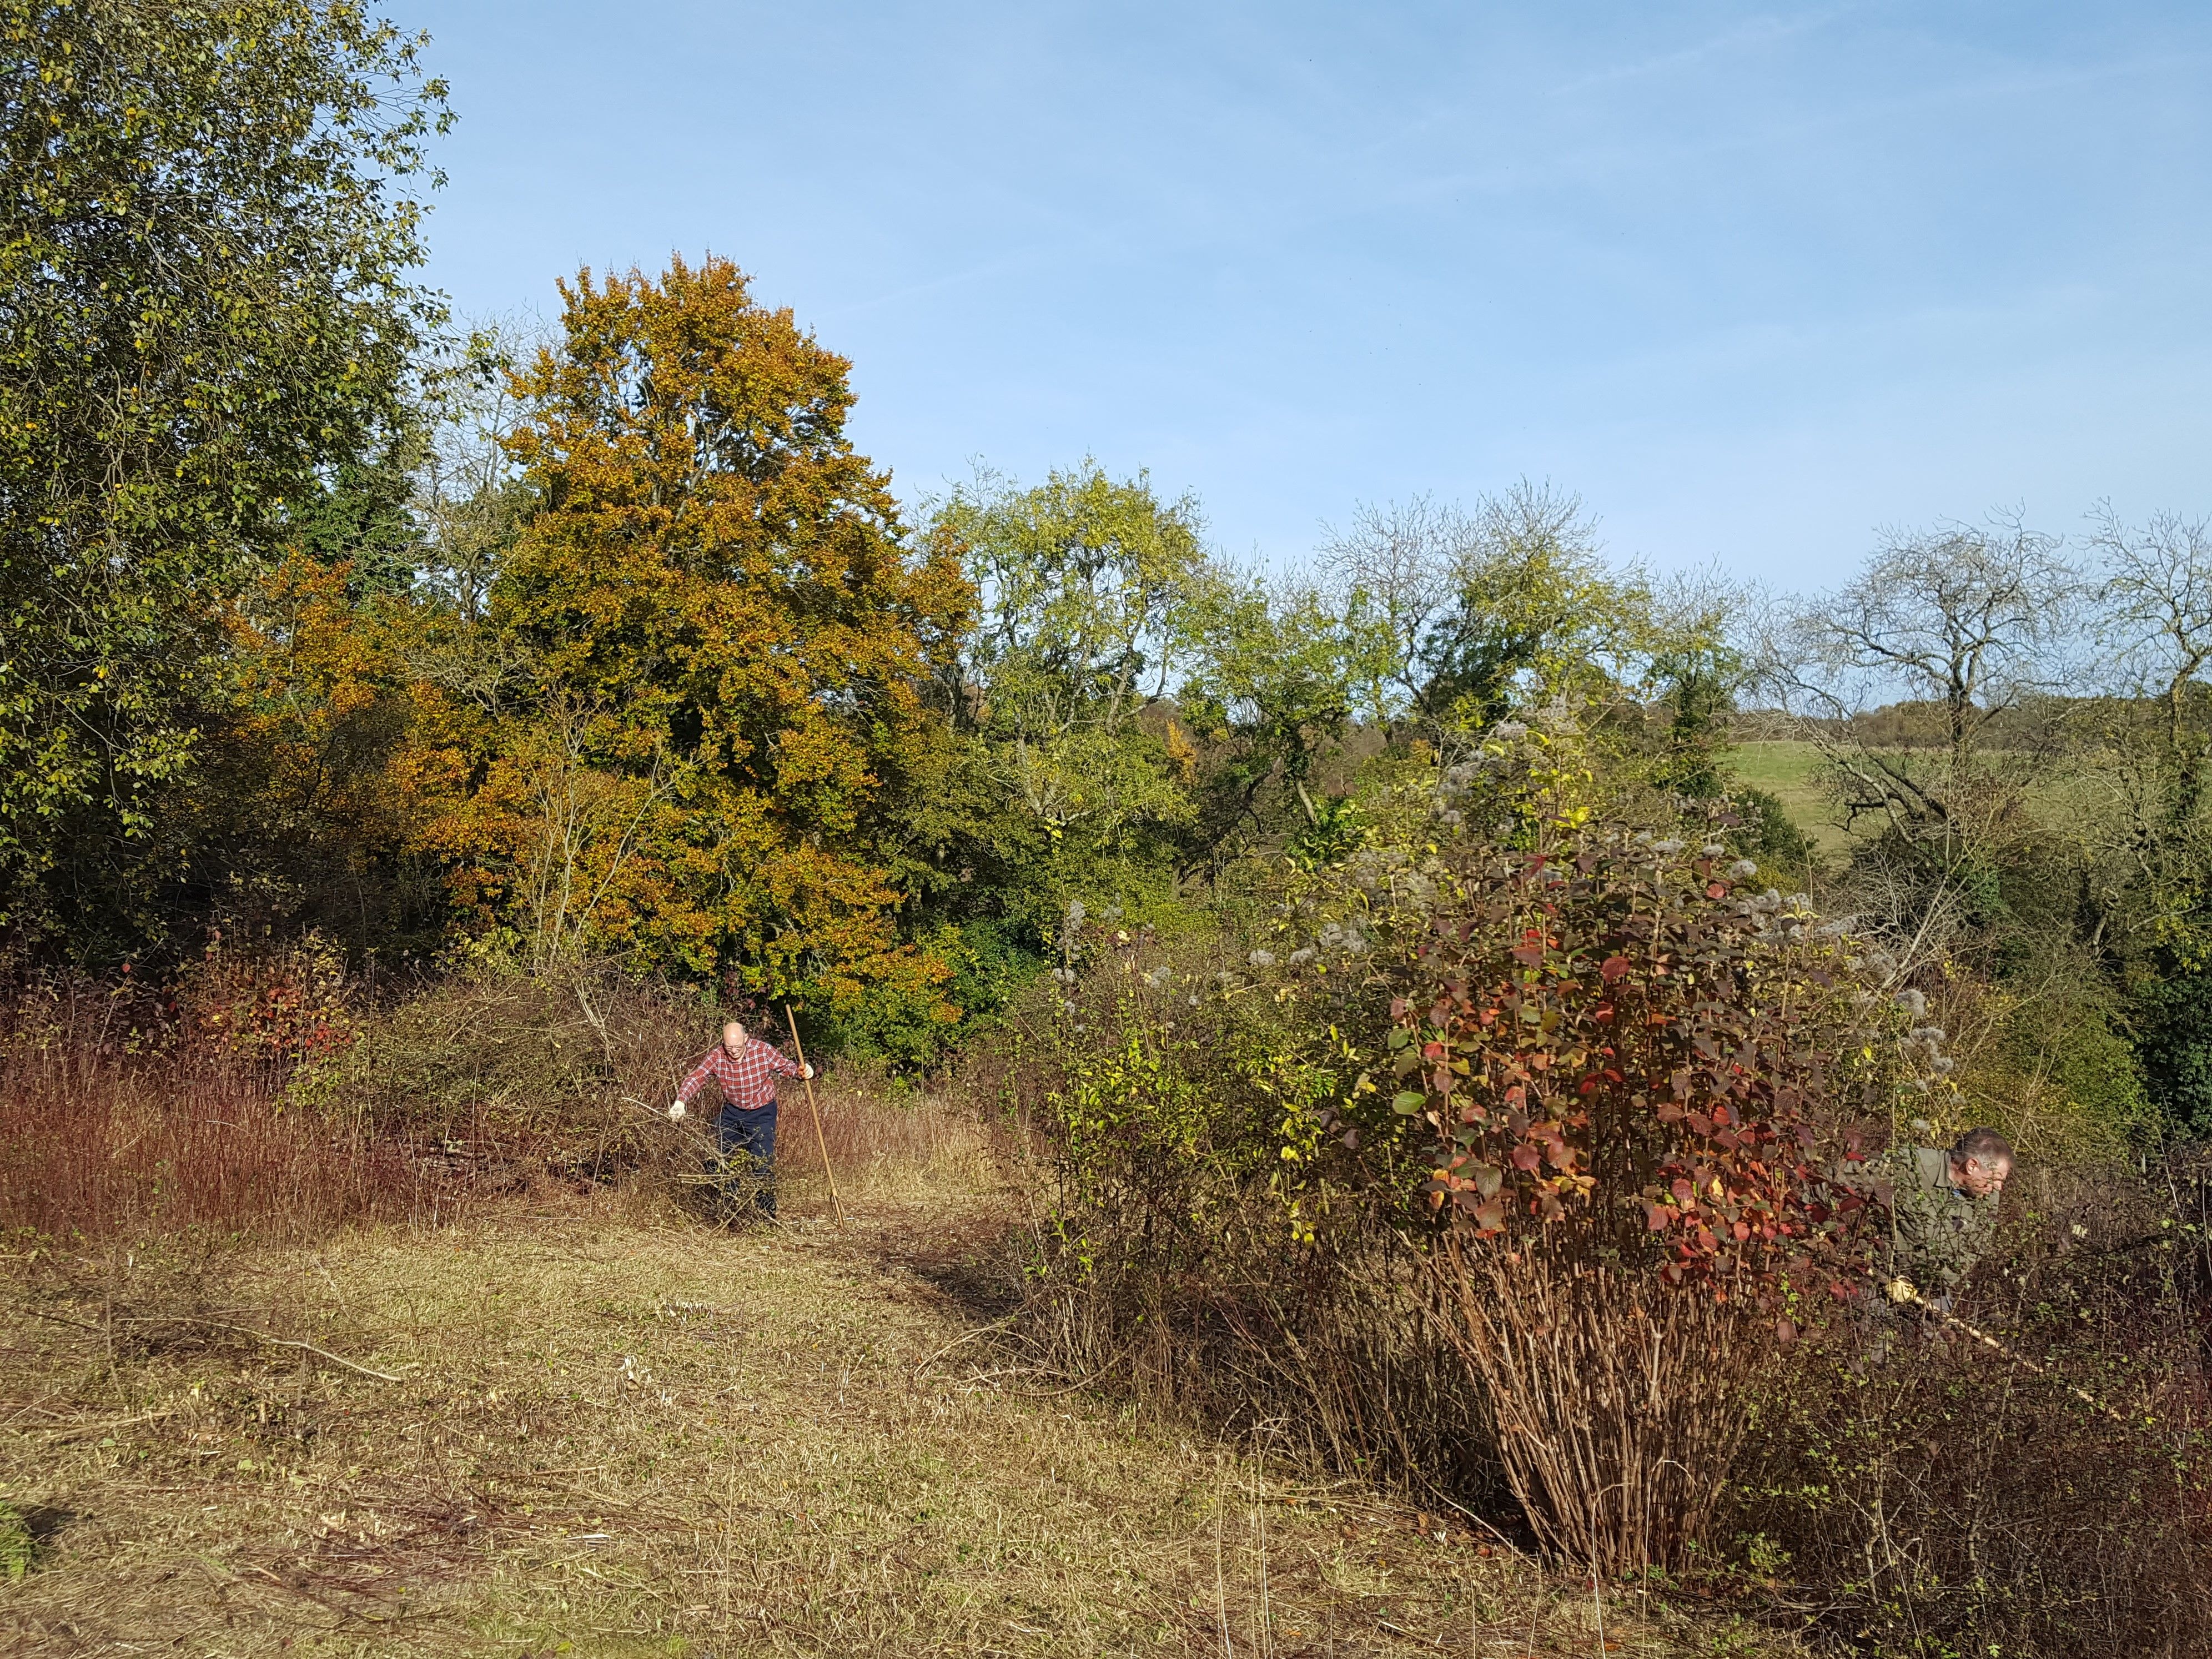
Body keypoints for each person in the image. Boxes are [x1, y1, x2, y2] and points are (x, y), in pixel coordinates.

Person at [1848, 1126, 2014, 1362]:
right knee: (1869, 1357)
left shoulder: (1987, 1196)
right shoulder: (1910, 1166)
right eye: (1995, 1179)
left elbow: (1973, 1249)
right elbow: (1844, 1180)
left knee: (1935, 1360)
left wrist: (1925, 1281)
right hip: (1877, 1277)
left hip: (1931, 1288)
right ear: (1972, 1166)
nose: (1999, 1187)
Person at [670, 1019, 814, 1218]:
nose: (734, 1051)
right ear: (723, 1042)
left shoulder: (762, 1051)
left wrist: (803, 1071)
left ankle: (766, 1214)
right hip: (733, 1112)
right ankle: (730, 1206)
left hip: (762, 1112)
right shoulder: (718, 1056)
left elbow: (787, 1067)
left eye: (738, 1046)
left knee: (762, 1161)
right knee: (715, 1151)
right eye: (729, 1046)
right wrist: (681, 1101)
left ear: (746, 1039)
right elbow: (697, 1077)